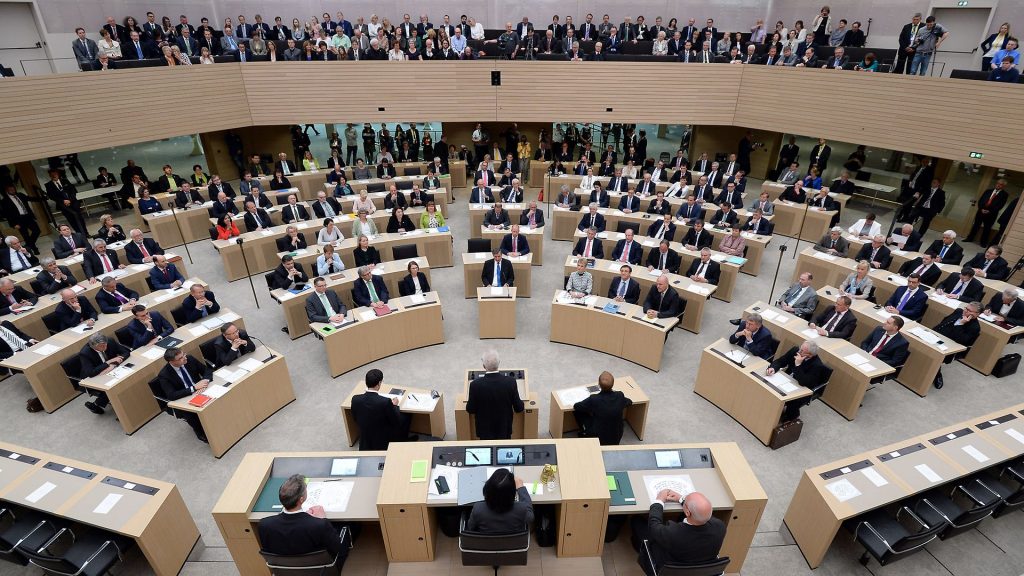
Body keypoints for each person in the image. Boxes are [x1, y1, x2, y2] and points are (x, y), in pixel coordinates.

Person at [630, 491, 725, 576]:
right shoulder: (720, 527)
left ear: (687, 512)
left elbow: (654, 525)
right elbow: (701, 513)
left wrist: (659, 501)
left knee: (637, 521)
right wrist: (681, 499)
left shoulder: (673, 533)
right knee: (680, 517)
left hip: (667, 565)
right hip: (699, 567)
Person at [465, 350, 524, 440]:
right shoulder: (510, 382)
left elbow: (470, 409)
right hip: (504, 431)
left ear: (484, 366)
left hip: (484, 432)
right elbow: (519, 408)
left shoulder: (475, 385)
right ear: (499, 363)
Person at [156, 347, 210, 442]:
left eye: (183, 354)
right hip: (184, 398)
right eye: (180, 358)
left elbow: (206, 370)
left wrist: (205, 381)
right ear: (172, 362)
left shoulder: (189, 359)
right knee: (191, 414)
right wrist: (193, 388)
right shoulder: (164, 375)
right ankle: (200, 432)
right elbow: (171, 395)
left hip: (201, 389)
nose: (184, 358)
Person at [767, 340, 830, 421]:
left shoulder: (817, 365)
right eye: (800, 348)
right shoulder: (795, 350)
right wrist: (773, 368)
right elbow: (780, 361)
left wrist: (798, 365)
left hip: (802, 389)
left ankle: (792, 416)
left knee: (792, 402)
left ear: (810, 355)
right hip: (787, 380)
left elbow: (803, 382)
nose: (799, 351)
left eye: (802, 351)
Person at [351, 369, 413, 450]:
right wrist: (394, 406)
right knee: (406, 415)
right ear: (379, 383)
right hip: (382, 439)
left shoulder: (355, 399)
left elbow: (355, 418)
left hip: (365, 437)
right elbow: (395, 421)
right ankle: (401, 440)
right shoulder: (385, 402)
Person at [466, 468, 534, 534]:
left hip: (486, 542)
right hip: (512, 543)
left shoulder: (478, 508)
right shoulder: (521, 509)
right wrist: (521, 488)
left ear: (487, 489)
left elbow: (470, 527)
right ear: (512, 493)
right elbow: (530, 518)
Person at [572, 371, 632, 445]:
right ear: (613, 385)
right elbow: (629, 402)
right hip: (616, 435)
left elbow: (577, 406)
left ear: (599, 384)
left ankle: (585, 432)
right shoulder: (620, 396)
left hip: (598, 437)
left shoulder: (594, 399)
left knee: (578, 412)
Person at [932, 302, 982, 388]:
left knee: (934, 354)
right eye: (966, 308)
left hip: (949, 345)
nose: (965, 311)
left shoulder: (975, 327)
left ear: (977, 314)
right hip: (936, 336)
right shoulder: (959, 311)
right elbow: (944, 322)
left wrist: (961, 324)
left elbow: (961, 340)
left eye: (969, 311)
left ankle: (937, 374)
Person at [79, 333, 129, 415]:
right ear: (93, 346)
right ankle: (99, 405)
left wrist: (114, 364)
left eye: (105, 345)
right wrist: (108, 363)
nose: (105, 348)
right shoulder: (85, 353)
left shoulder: (110, 341)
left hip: (112, 370)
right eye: (102, 346)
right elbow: (91, 372)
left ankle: (97, 404)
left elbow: (126, 352)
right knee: (112, 386)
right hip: (95, 375)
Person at [1, 185, 40, 255]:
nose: (13, 191)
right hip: (18, 220)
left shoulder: (20, 195)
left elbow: (30, 198)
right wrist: (13, 224)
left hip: (28, 217)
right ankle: (34, 249)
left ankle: (28, 245)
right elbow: (7, 214)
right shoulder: (5, 201)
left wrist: (43, 198)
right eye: (11, 190)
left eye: (13, 189)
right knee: (26, 235)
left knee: (37, 231)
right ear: (7, 190)